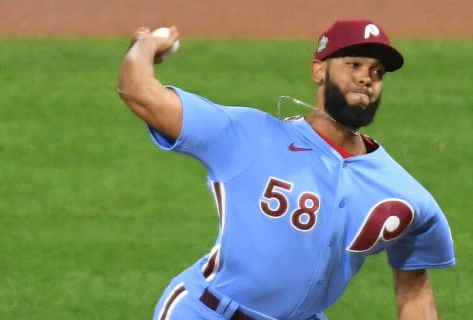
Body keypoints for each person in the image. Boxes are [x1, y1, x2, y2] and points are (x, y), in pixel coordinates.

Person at [117, 18, 456, 320]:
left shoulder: (403, 194)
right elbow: (139, 91)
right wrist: (145, 48)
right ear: (319, 71)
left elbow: (414, 287)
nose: (366, 78)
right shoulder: (249, 136)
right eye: (354, 64)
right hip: (207, 311)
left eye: (376, 72)